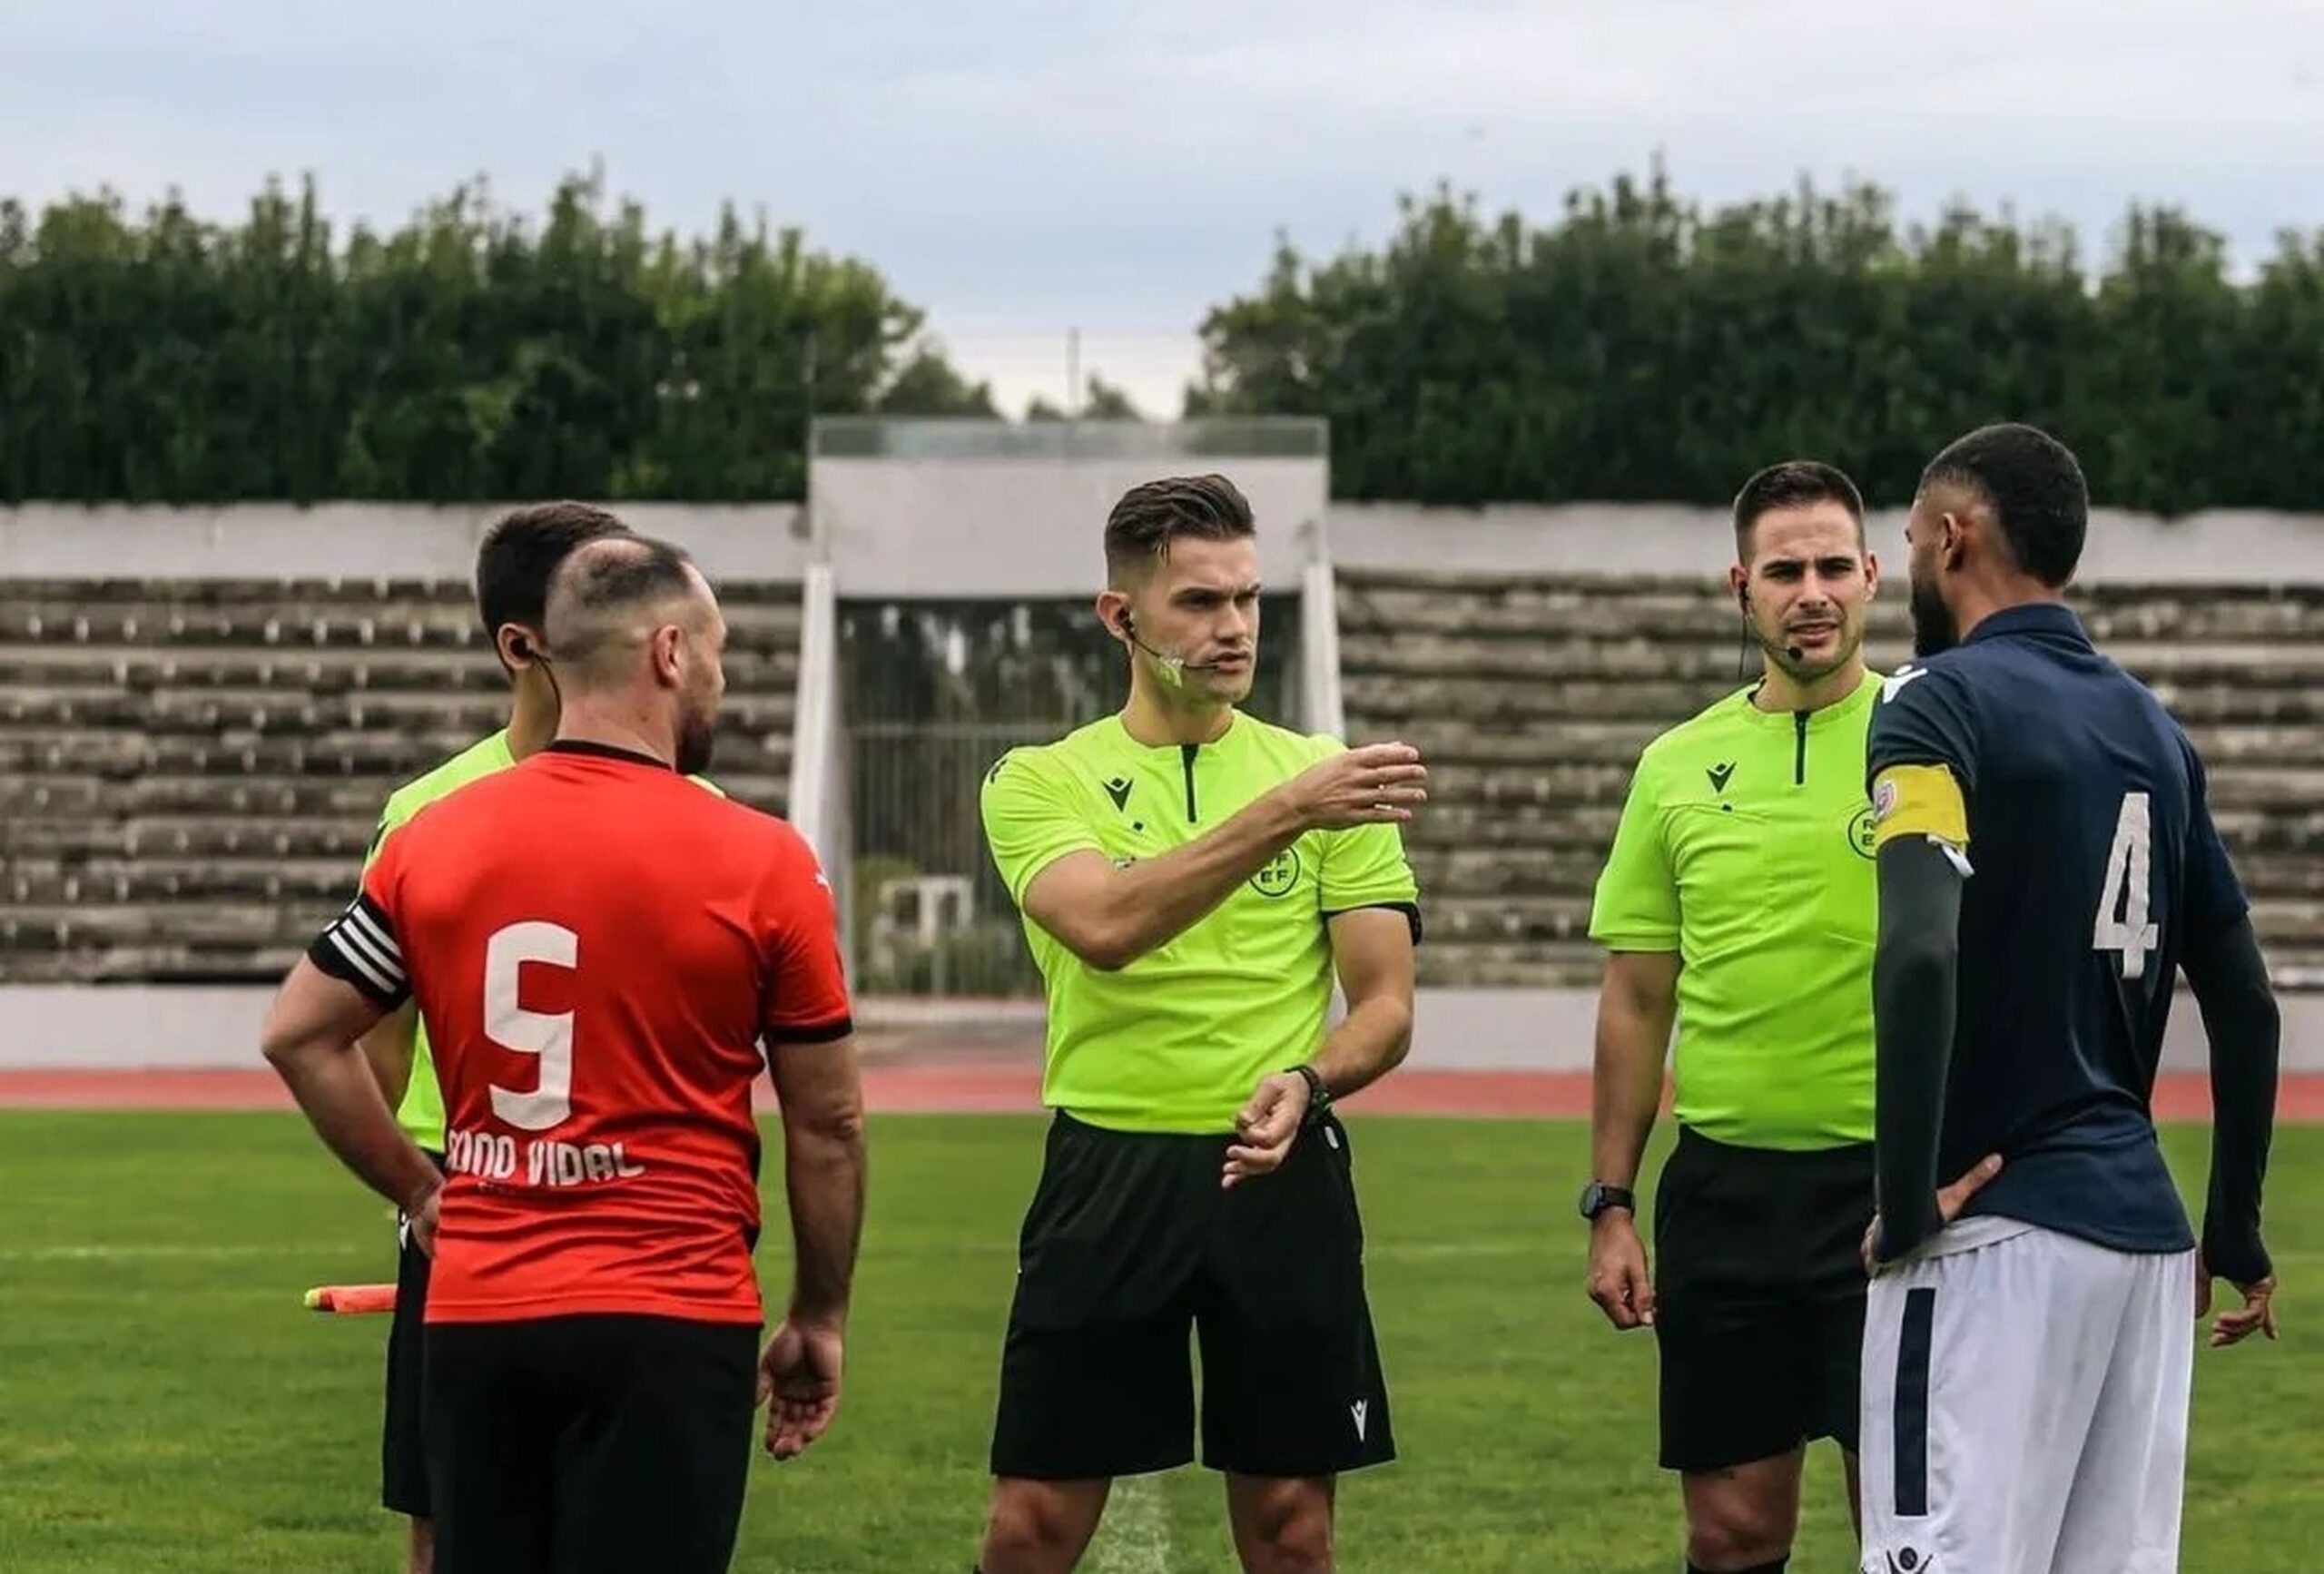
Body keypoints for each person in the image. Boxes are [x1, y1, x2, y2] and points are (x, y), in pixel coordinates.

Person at [261, 534, 868, 1574]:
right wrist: (818, 1312)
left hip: (482, 1305)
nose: (723, 679)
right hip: (670, 1307)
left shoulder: (435, 837)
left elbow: (299, 1034)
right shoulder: (761, 859)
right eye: (718, 652)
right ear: (669, 653)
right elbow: (829, 1121)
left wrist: (418, 1190)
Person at [971, 474, 1430, 1574]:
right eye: (1199, 603)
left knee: (1290, 1527)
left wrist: (1311, 1081)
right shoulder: (1040, 780)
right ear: (1120, 617)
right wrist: (1288, 812)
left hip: (1276, 1174)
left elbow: (1386, 1006)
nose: (1232, 628)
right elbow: (1106, 925)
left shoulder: (1324, 776)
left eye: (1247, 599)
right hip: (1107, 1170)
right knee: (1031, 1525)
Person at [1857, 421, 2281, 1574]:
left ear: (1952, 539)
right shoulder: (2154, 730)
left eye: (1905, 541)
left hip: (1994, 1235)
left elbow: (1916, 954)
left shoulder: (1929, 703)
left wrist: (1903, 1204)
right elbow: (2245, 1003)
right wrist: (2232, 1223)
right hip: (2144, 1250)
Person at [1582, 460, 1886, 1574]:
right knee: (1730, 1534)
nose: (1809, 591)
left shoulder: (1935, 736)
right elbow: (1636, 997)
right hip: (1723, 1197)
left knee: (1904, 1531)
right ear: (1739, 588)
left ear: (1871, 575)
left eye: (1830, 567)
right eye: (1782, 570)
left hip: (1894, 1195)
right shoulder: (1673, 766)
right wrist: (1611, 1202)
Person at [354, 500, 631, 1574]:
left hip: (624, 1192)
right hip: (466, 1191)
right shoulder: (424, 812)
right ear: (523, 643)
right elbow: (372, 1031)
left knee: (626, 1520)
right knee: (451, 1523)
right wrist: (413, 1179)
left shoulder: (687, 804)